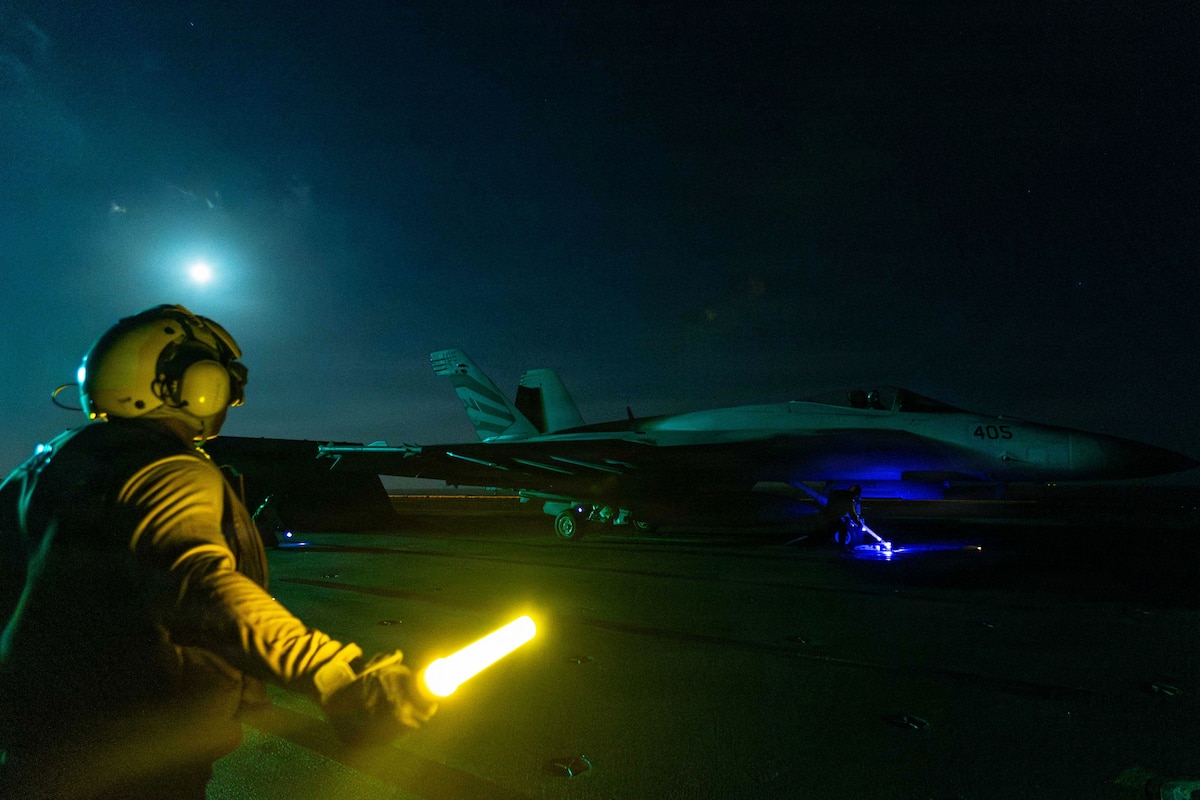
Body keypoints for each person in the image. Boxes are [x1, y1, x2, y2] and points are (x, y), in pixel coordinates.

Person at [0, 304, 435, 799]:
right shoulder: (168, 469)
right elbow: (204, 587)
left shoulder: (39, 472)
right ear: (194, 383)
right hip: (137, 755)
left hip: (38, 748)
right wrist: (334, 673)